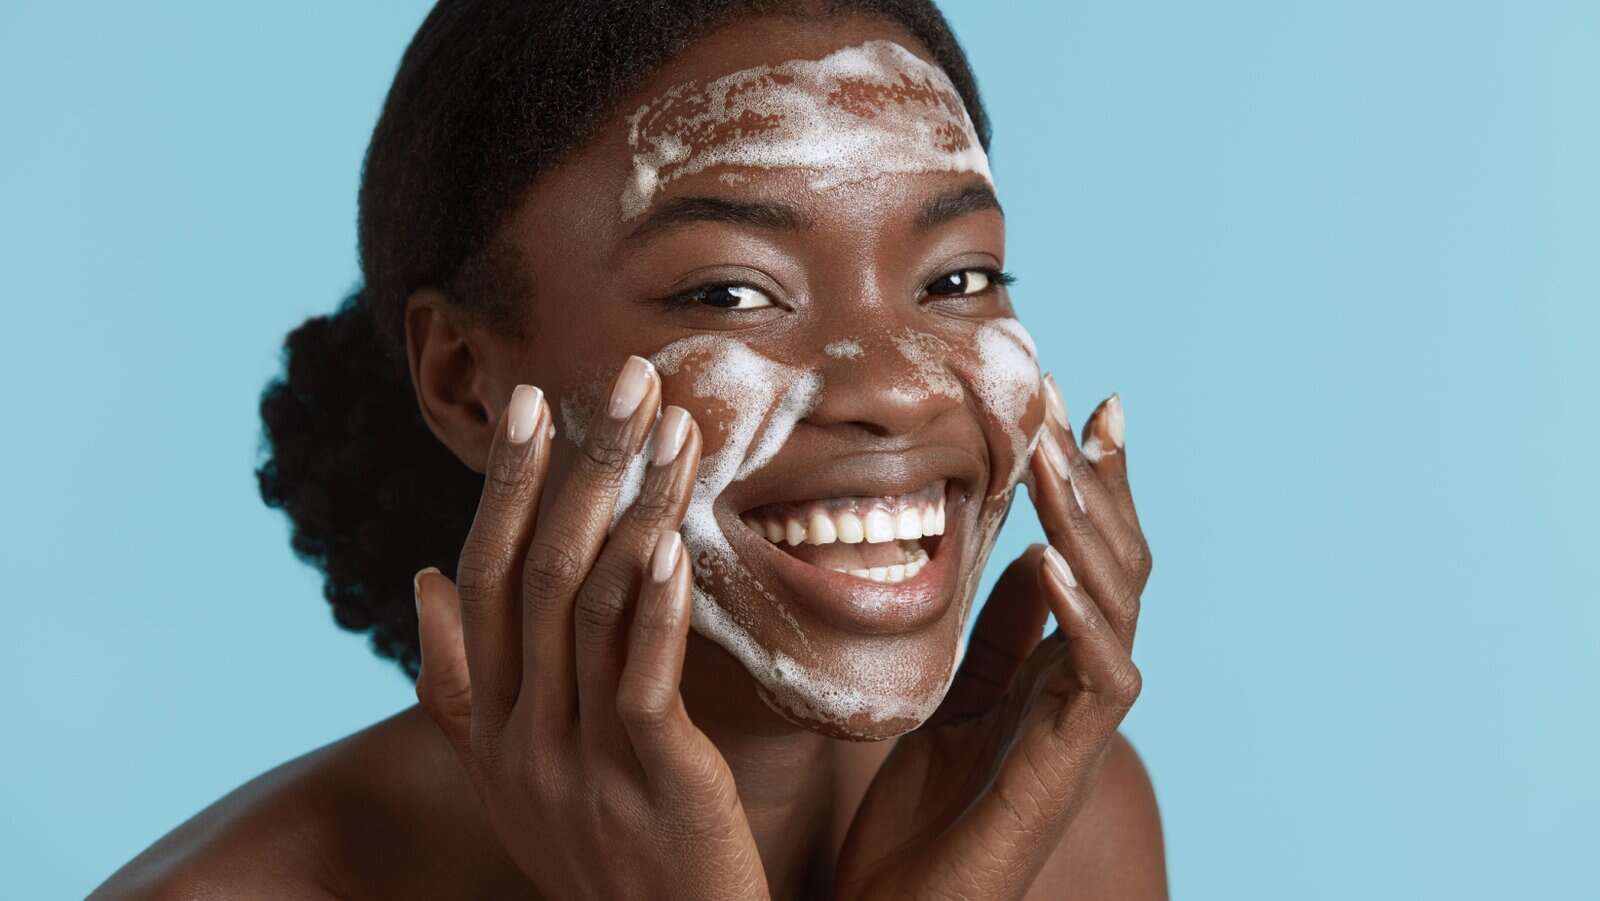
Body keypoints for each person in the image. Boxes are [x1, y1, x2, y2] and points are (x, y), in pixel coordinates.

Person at [94, 1, 1165, 897]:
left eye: (957, 280)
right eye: (731, 292)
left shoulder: (1059, 823)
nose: (894, 385)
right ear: (466, 383)